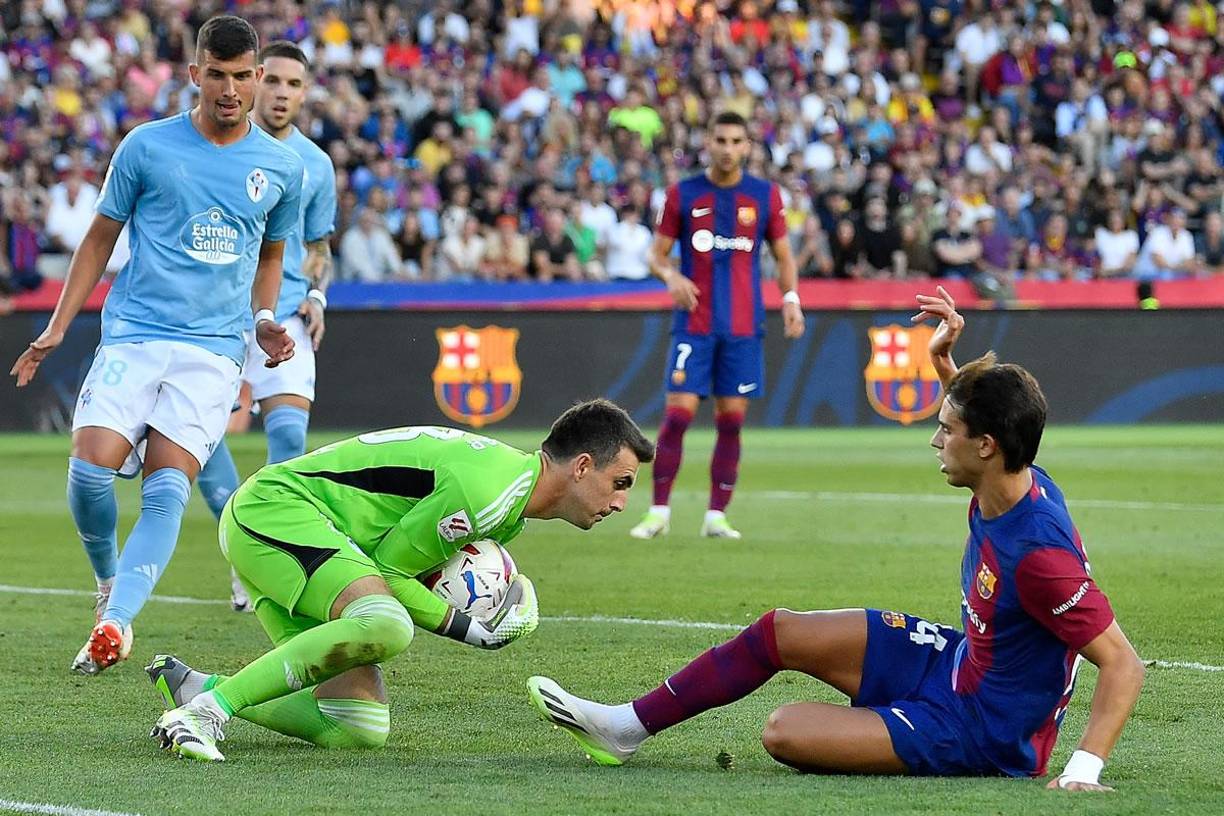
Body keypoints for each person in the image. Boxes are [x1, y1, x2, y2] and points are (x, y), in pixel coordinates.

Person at [530, 288, 1145, 792]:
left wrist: (1083, 770)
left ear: (985, 446)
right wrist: (945, 363)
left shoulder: (1038, 553)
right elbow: (987, 420)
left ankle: (901, 727)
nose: (935, 440)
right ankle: (625, 727)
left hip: (982, 731)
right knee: (780, 631)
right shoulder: (1016, 473)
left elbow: (1122, 663)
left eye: (946, 429)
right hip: (955, 663)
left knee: (784, 731)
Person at [8, 15, 302, 675]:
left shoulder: (281, 168)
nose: (230, 90)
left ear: (257, 77)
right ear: (195, 74)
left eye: (242, 76)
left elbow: (270, 256)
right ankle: (108, 579)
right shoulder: (145, 146)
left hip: (213, 352)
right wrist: (58, 325)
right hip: (135, 335)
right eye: (217, 75)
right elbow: (98, 239)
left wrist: (263, 318)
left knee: (167, 488)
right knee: (89, 472)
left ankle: (115, 622)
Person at [147, 399, 655, 762]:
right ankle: (206, 714)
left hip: (305, 537)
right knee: (386, 624)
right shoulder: (488, 493)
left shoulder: (508, 503)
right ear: (582, 466)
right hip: (277, 513)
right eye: (621, 483)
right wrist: (471, 629)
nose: (620, 503)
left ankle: (198, 690)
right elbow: (391, 573)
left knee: (357, 726)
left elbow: (399, 565)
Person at [194, 40, 339, 613]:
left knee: (288, 447)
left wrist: (318, 295)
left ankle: (270, 559)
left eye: (293, 85)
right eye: (273, 80)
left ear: (305, 93)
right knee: (201, 439)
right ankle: (243, 552)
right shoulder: (214, 147)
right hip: (218, 318)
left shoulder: (316, 164)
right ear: (255, 79)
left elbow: (319, 244)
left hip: (285, 317)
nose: (281, 94)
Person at [630, 111, 804, 542]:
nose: (728, 149)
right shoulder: (683, 194)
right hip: (694, 323)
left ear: (747, 146)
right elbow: (655, 255)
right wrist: (671, 276)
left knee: (731, 421)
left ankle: (716, 516)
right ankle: (658, 512)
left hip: (742, 328)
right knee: (677, 416)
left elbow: (784, 256)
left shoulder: (764, 195)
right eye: (720, 140)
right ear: (708, 142)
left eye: (736, 141)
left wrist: (790, 299)